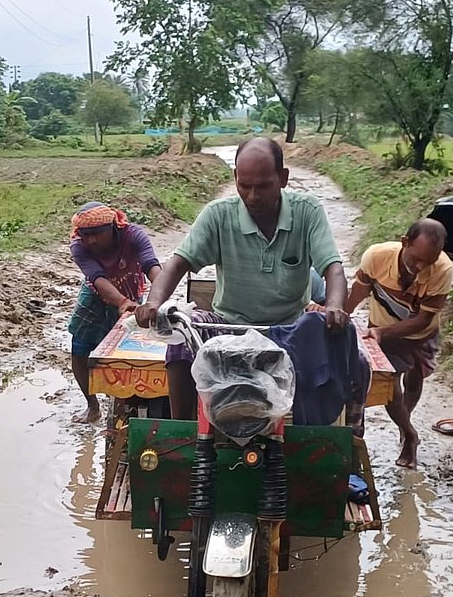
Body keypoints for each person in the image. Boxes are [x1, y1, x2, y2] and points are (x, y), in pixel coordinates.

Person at [135, 137, 350, 419]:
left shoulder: (307, 212)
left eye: (263, 186)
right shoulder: (218, 215)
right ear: (235, 177)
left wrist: (334, 306)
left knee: (348, 359)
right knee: (182, 339)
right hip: (229, 328)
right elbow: (177, 264)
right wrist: (154, 303)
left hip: (288, 330)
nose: (252, 196)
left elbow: (332, 267)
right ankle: (183, 433)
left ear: (283, 178)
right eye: (244, 186)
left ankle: (322, 434)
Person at [345, 218, 453, 470]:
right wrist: (341, 316)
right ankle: (409, 433)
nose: (421, 266)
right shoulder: (376, 256)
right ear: (405, 242)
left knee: (415, 379)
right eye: (416, 258)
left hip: (421, 334)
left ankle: (405, 421)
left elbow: (423, 319)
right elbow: (357, 294)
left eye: (429, 261)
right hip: (381, 332)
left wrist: (383, 332)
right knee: (390, 386)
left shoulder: (442, 269)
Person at [67, 201, 161, 423]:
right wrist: (122, 302)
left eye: (96, 234)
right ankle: (92, 407)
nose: (90, 240)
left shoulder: (134, 235)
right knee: (79, 348)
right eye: (85, 235)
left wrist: (156, 300)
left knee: (127, 353)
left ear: (112, 227)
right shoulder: (78, 245)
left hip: (131, 289)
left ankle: (125, 403)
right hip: (95, 295)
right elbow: (97, 278)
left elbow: (151, 266)